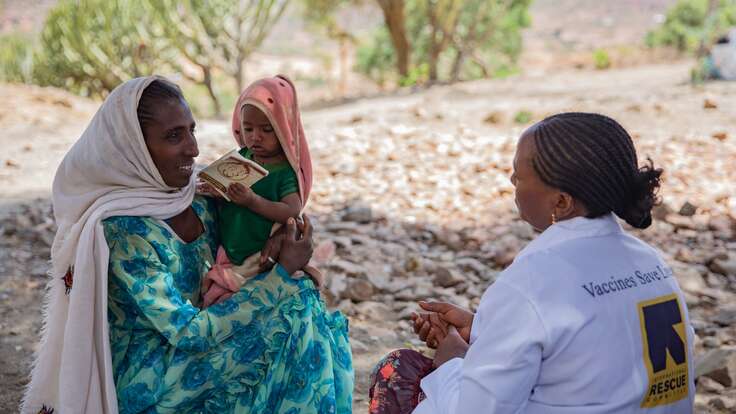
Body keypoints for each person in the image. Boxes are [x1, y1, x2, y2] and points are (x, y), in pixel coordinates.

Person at [22, 76, 353, 414]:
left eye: (191, 131)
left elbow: (250, 230)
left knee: (301, 299)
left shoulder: (196, 196)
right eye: (173, 136)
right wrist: (281, 274)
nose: (193, 148)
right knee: (291, 304)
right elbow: (187, 332)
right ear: (132, 146)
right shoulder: (125, 233)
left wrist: (281, 234)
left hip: (203, 340)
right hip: (156, 379)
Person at [369, 112, 695, 413]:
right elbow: (594, 347)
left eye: (520, 174)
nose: (512, 179)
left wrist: (454, 358)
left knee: (399, 371)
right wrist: (485, 329)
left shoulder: (532, 280)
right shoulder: (649, 261)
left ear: (561, 202)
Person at [199, 75, 315, 308]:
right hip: (230, 249)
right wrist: (215, 188)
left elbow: (291, 210)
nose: (255, 137)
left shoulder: (284, 172)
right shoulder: (241, 158)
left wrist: (252, 201)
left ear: (284, 129)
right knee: (218, 297)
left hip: (258, 256)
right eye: (248, 128)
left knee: (244, 302)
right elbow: (226, 188)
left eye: (266, 129)